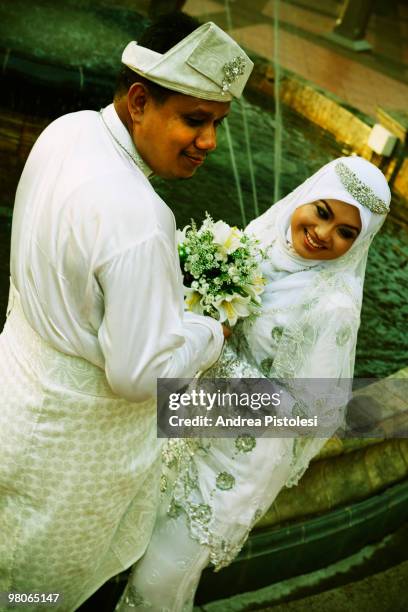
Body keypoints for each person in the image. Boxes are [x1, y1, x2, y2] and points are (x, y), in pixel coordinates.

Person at [0, 13, 254, 611]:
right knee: (39, 595)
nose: (210, 142)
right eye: (195, 120)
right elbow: (138, 377)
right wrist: (205, 332)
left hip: (16, 392)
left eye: (218, 123)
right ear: (140, 101)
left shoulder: (68, 129)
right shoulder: (140, 219)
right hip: (69, 456)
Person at [116, 155, 391, 611]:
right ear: (307, 195)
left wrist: (215, 349)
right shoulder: (259, 239)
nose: (323, 234)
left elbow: (312, 414)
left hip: (235, 462)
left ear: (360, 243)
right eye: (323, 212)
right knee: (124, 550)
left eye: (346, 232)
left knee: (158, 582)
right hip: (184, 420)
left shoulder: (335, 307)